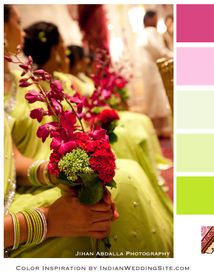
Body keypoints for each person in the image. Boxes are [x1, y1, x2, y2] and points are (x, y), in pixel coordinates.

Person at [4, 5, 173, 258]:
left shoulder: (22, 81)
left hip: (21, 193)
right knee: (122, 183)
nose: (24, 33)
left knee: (124, 174)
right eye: (18, 22)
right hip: (15, 221)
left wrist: (54, 172)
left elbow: (13, 158)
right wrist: (46, 220)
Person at [23, 21, 172, 189]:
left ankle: (154, 179)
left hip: (86, 132)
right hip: (71, 145)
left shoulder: (64, 80)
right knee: (129, 159)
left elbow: (83, 109)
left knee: (137, 126)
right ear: (55, 48)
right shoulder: (37, 87)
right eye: (62, 44)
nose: (65, 50)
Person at [138, 10, 173, 137]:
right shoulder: (150, 32)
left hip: (148, 69)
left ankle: (158, 129)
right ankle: (162, 128)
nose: (156, 22)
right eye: (155, 19)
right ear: (148, 20)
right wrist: (173, 55)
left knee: (153, 97)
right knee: (158, 96)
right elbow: (159, 51)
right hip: (154, 68)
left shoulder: (142, 34)